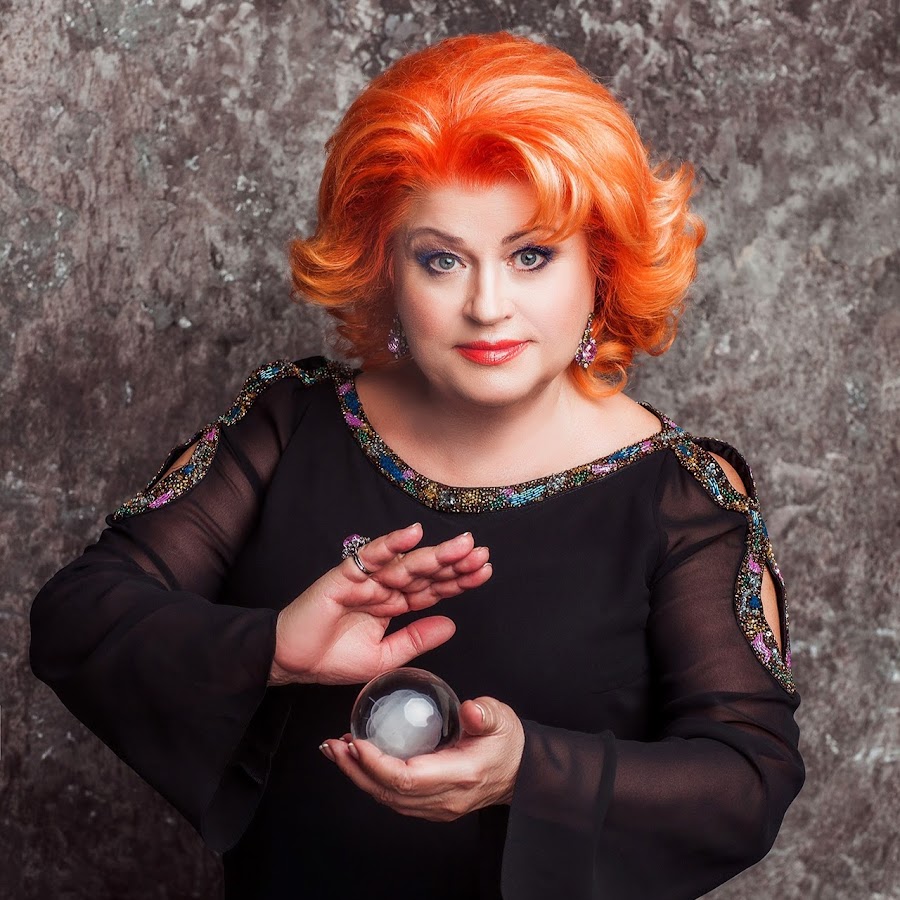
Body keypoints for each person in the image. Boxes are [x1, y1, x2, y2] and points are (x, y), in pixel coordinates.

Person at [29, 32, 804, 900]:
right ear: (385, 268)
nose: (486, 306)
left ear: (603, 264)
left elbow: (749, 781)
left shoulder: (684, 497)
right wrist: (272, 648)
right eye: (442, 259)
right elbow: (72, 619)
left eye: (531, 254)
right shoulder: (288, 424)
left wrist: (529, 771)